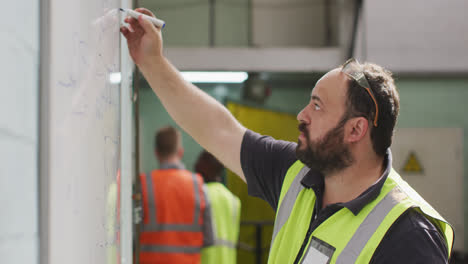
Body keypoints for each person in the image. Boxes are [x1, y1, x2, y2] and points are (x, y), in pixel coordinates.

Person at [121, 9, 454, 263]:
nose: (301, 116)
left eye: (318, 106)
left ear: (356, 129)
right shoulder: (296, 174)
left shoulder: (408, 236)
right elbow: (218, 129)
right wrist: (152, 62)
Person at [138, 126, 213, 264]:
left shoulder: (143, 184)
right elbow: (209, 238)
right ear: (180, 152)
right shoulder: (198, 185)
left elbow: (132, 233)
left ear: (156, 153)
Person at [195, 150, 241, 264]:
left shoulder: (200, 194)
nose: (195, 165)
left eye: (200, 162)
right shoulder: (234, 200)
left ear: (206, 167)